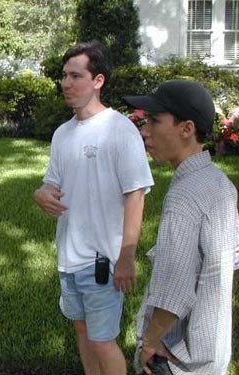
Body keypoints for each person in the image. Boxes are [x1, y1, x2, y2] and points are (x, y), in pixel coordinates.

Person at [33, 41, 154, 375]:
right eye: (64, 76)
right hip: (67, 258)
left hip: (102, 261)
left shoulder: (120, 130)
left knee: (103, 341)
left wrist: (126, 256)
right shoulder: (63, 134)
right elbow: (51, 183)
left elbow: (136, 194)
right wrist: (41, 193)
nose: (66, 84)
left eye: (76, 76)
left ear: (98, 81)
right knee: (82, 333)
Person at [123, 80, 239, 374]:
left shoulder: (183, 197)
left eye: (154, 121)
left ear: (187, 129)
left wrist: (151, 343)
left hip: (176, 358)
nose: (144, 130)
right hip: (212, 352)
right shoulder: (221, 183)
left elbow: (175, 291)